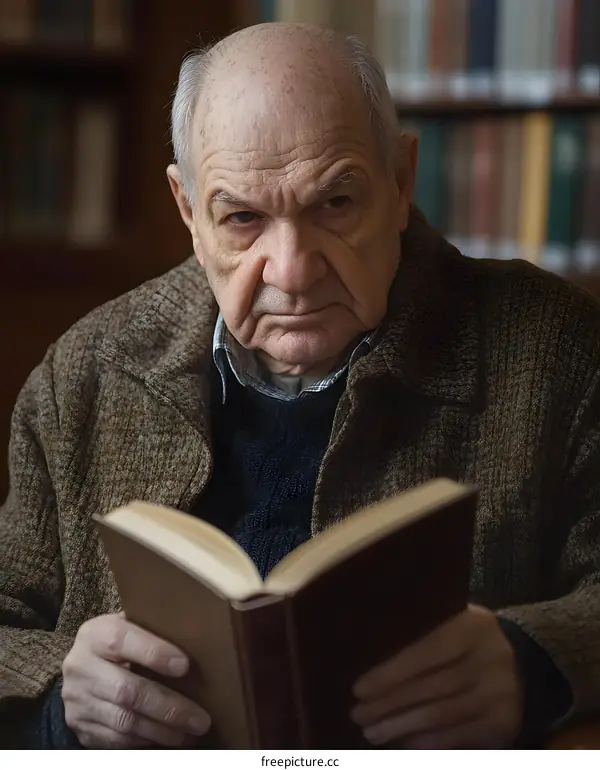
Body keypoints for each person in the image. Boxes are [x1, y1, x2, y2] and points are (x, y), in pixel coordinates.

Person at [0, 21, 598, 750]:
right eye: (242, 219)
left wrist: (533, 661)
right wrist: (65, 702)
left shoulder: (559, 349)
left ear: (400, 181)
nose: (292, 270)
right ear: (189, 210)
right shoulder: (84, 374)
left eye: (335, 205)